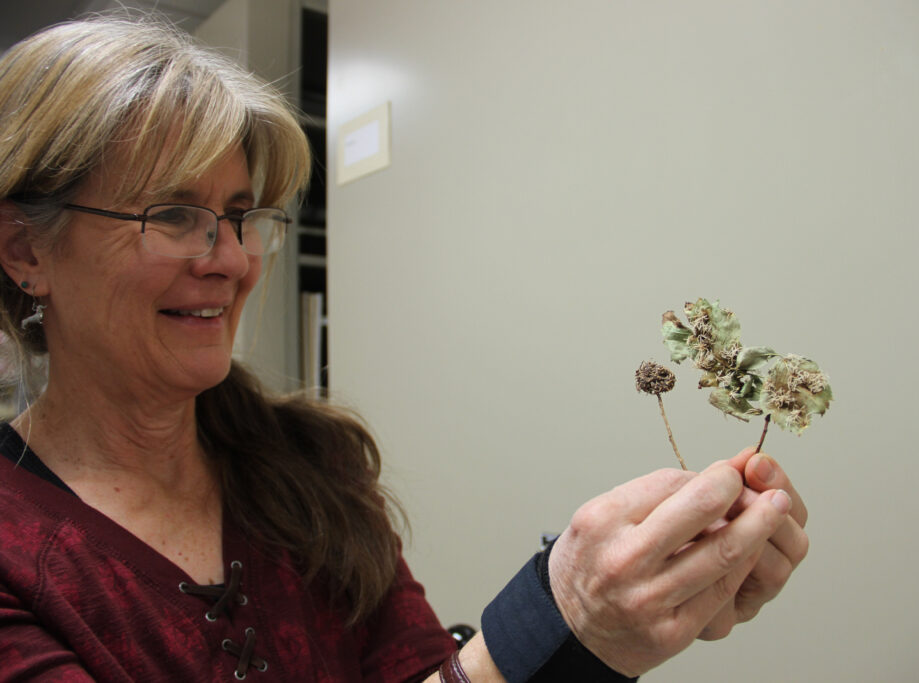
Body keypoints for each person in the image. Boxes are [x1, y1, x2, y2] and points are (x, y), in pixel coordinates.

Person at [0, 15, 808, 683]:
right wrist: (559, 620)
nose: (229, 257)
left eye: (242, 214)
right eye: (172, 213)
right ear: (25, 250)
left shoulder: (309, 468)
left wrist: (607, 628)